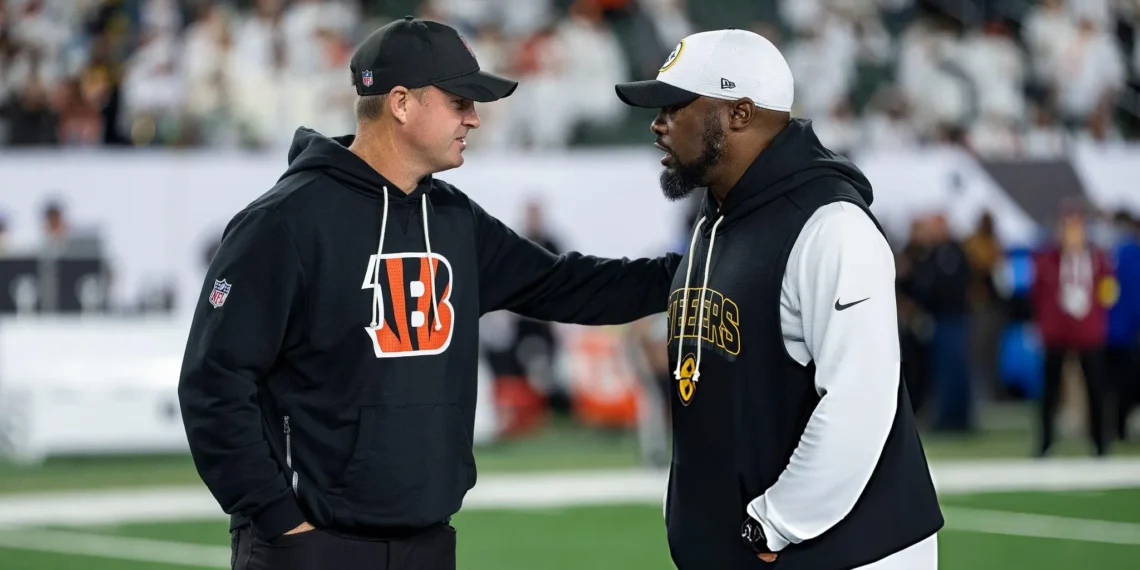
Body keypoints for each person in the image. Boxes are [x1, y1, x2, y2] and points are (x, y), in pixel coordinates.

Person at [178, 17, 680, 570]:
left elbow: (569, 286)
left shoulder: (452, 217)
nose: (475, 118)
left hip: (428, 542)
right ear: (400, 103)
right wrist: (281, 522)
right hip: (312, 544)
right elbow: (213, 384)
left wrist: (699, 271)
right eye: (460, 100)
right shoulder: (283, 223)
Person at [614, 29, 943, 569]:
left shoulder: (831, 225)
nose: (657, 123)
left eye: (674, 106)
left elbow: (859, 401)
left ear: (739, 114)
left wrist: (774, 523)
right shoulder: (715, 219)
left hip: (846, 552)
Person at [1031, 203, 1115, 457]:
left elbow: (1108, 291)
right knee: (1050, 391)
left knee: (1096, 388)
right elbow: (1039, 295)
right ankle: (1045, 442)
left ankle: (1101, 442)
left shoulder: (1098, 258)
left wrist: (1100, 319)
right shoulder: (1047, 259)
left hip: (1088, 331)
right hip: (1056, 331)